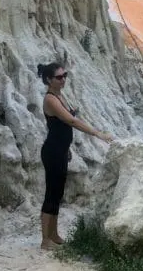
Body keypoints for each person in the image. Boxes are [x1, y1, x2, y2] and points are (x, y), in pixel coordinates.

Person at [37, 62, 113, 249]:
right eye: (59, 77)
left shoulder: (60, 96)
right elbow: (70, 120)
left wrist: (67, 148)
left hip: (60, 150)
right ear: (49, 80)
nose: (63, 79)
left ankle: (54, 234)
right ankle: (45, 240)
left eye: (65, 75)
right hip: (52, 151)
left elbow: (60, 128)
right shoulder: (50, 99)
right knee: (52, 193)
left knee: (58, 192)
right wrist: (97, 133)